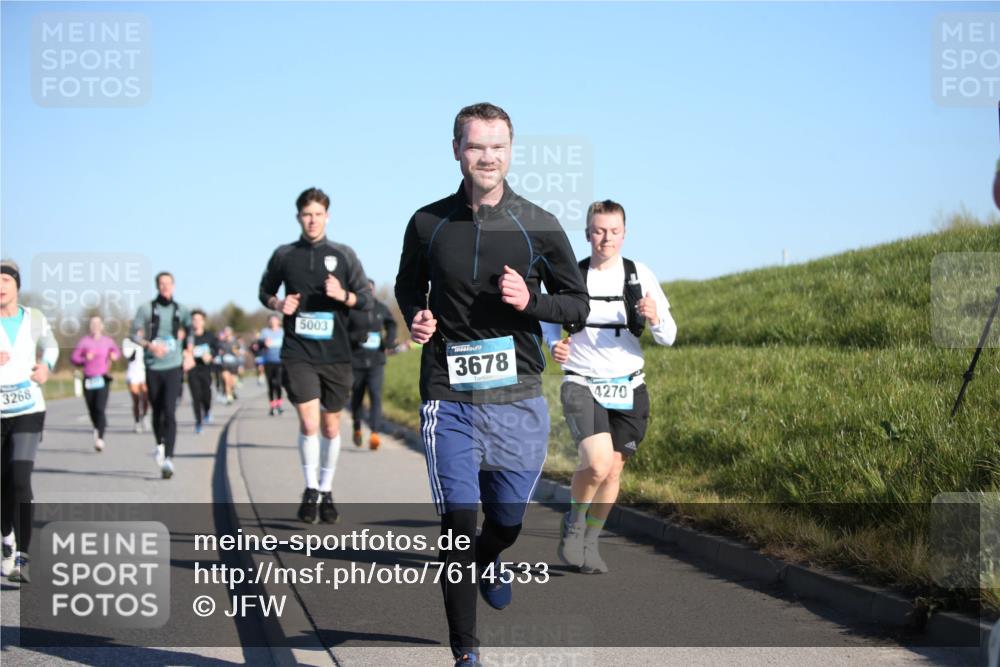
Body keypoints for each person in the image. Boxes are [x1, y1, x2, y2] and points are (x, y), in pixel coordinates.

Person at [394, 103, 589, 666]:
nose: (487, 157)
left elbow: (577, 303)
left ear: (511, 151)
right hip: (448, 393)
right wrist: (416, 317)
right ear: (456, 150)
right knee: (458, 525)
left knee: (505, 521)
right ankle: (466, 653)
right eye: (476, 146)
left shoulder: (538, 223)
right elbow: (408, 285)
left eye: (497, 146)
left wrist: (532, 302)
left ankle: (491, 554)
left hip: (517, 396)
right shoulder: (427, 223)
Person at [542, 200, 677, 574]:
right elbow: (548, 319)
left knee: (614, 470)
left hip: (629, 386)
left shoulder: (639, 274)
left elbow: (668, 336)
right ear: (588, 234)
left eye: (614, 231)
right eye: (599, 231)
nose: (607, 238)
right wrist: (554, 344)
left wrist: (655, 318)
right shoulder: (572, 275)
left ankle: (591, 541)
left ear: (624, 233)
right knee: (597, 463)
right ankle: (573, 525)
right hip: (582, 382)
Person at [259, 187, 373, 525]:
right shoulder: (284, 255)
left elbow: (366, 298)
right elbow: (265, 291)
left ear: (327, 217)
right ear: (298, 217)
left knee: (330, 425)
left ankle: (326, 489)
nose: (312, 220)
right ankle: (310, 489)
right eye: (307, 214)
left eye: (318, 214)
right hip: (299, 352)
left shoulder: (344, 254)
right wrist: (278, 303)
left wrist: (344, 295)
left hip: (336, 353)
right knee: (309, 422)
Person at [0, 260, 59, 582]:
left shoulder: (33, 318)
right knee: (2, 484)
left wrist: (46, 365)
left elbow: (50, 346)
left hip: (28, 410)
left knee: (20, 479)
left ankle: (22, 556)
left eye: (5, 280)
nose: (0, 286)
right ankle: (6, 537)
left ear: (16, 285)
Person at [129, 271, 192, 479]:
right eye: (162, 284)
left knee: (170, 411)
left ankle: (169, 459)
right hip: (153, 366)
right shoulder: (146, 309)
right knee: (157, 411)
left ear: (173, 286)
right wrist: (149, 345)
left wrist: (189, 351)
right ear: (157, 286)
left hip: (174, 366)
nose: (165, 287)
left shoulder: (181, 309)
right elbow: (133, 334)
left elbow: (190, 329)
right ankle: (160, 444)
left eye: (168, 283)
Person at [347, 280, 397, 449]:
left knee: (375, 394)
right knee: (357, 395)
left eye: (370, 289)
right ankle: (357, 426)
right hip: (356, 360)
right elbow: (342, 331)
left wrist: (389, 341)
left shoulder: (381, 308)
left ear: (374, 291)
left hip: (376, 360)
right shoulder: (351, 309)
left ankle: (375, 433)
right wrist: (356, 337)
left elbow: (391, 324)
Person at [70, 316, 121, 452]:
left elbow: (117, 352)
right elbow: (74, 358)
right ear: (90, 327)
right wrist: (84, 359)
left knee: (100, 408)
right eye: (93, 324)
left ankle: (100, 438)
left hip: (102, 378)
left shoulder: (107, 341)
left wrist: (114, 356)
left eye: (98, 324)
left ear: (102, 326)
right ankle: (97, 427)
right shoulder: (84, 342)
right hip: (88, 379)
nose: (95, 326)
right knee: (92, 409)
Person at [188, 310, 215, 433]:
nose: (197, 322)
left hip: (205, 369)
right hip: (193, 370)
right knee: (196, 397)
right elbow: (182, 350)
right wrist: (186, 354)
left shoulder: (209, 336)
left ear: (203, 321)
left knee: (206, 395)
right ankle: (198, 422)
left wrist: (210, 355)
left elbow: (216, 348)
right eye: (194, 319)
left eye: (199, 319)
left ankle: (207, 410)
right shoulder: (189, 337)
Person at [121, 333, 150, 433]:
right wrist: (136, 345)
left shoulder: (147, 341)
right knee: (136, 399)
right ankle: (137, 421)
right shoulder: (128, 341)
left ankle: (144, 416)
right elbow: (128, 356)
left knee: (145, 399)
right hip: (133, 374)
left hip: (144, 373)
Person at [258, 314, 285, 416]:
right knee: (270, 384)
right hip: (268, 361)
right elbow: (258, 345)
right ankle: (272, 406)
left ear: (279, 321)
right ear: (268, 322)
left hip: (280, 361)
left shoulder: (283, 332)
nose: (273, 322)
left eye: (275, 320)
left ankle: (279, 405)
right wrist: (264, 344)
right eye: (271, 320)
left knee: (278, 383)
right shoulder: (265, 332)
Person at [217, 327, 241, 404]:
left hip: (233, 365)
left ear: (231, 332)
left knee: (232, 382)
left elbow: (239, 353)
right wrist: (220, 354)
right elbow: (218, 352)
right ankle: (229, 396)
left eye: (228, 331)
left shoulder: (235, 342)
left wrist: (236, 352)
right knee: (226, 380)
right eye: (225, 332)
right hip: (224, 365)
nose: (226, 333)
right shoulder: (221, 343)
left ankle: (231, 391)